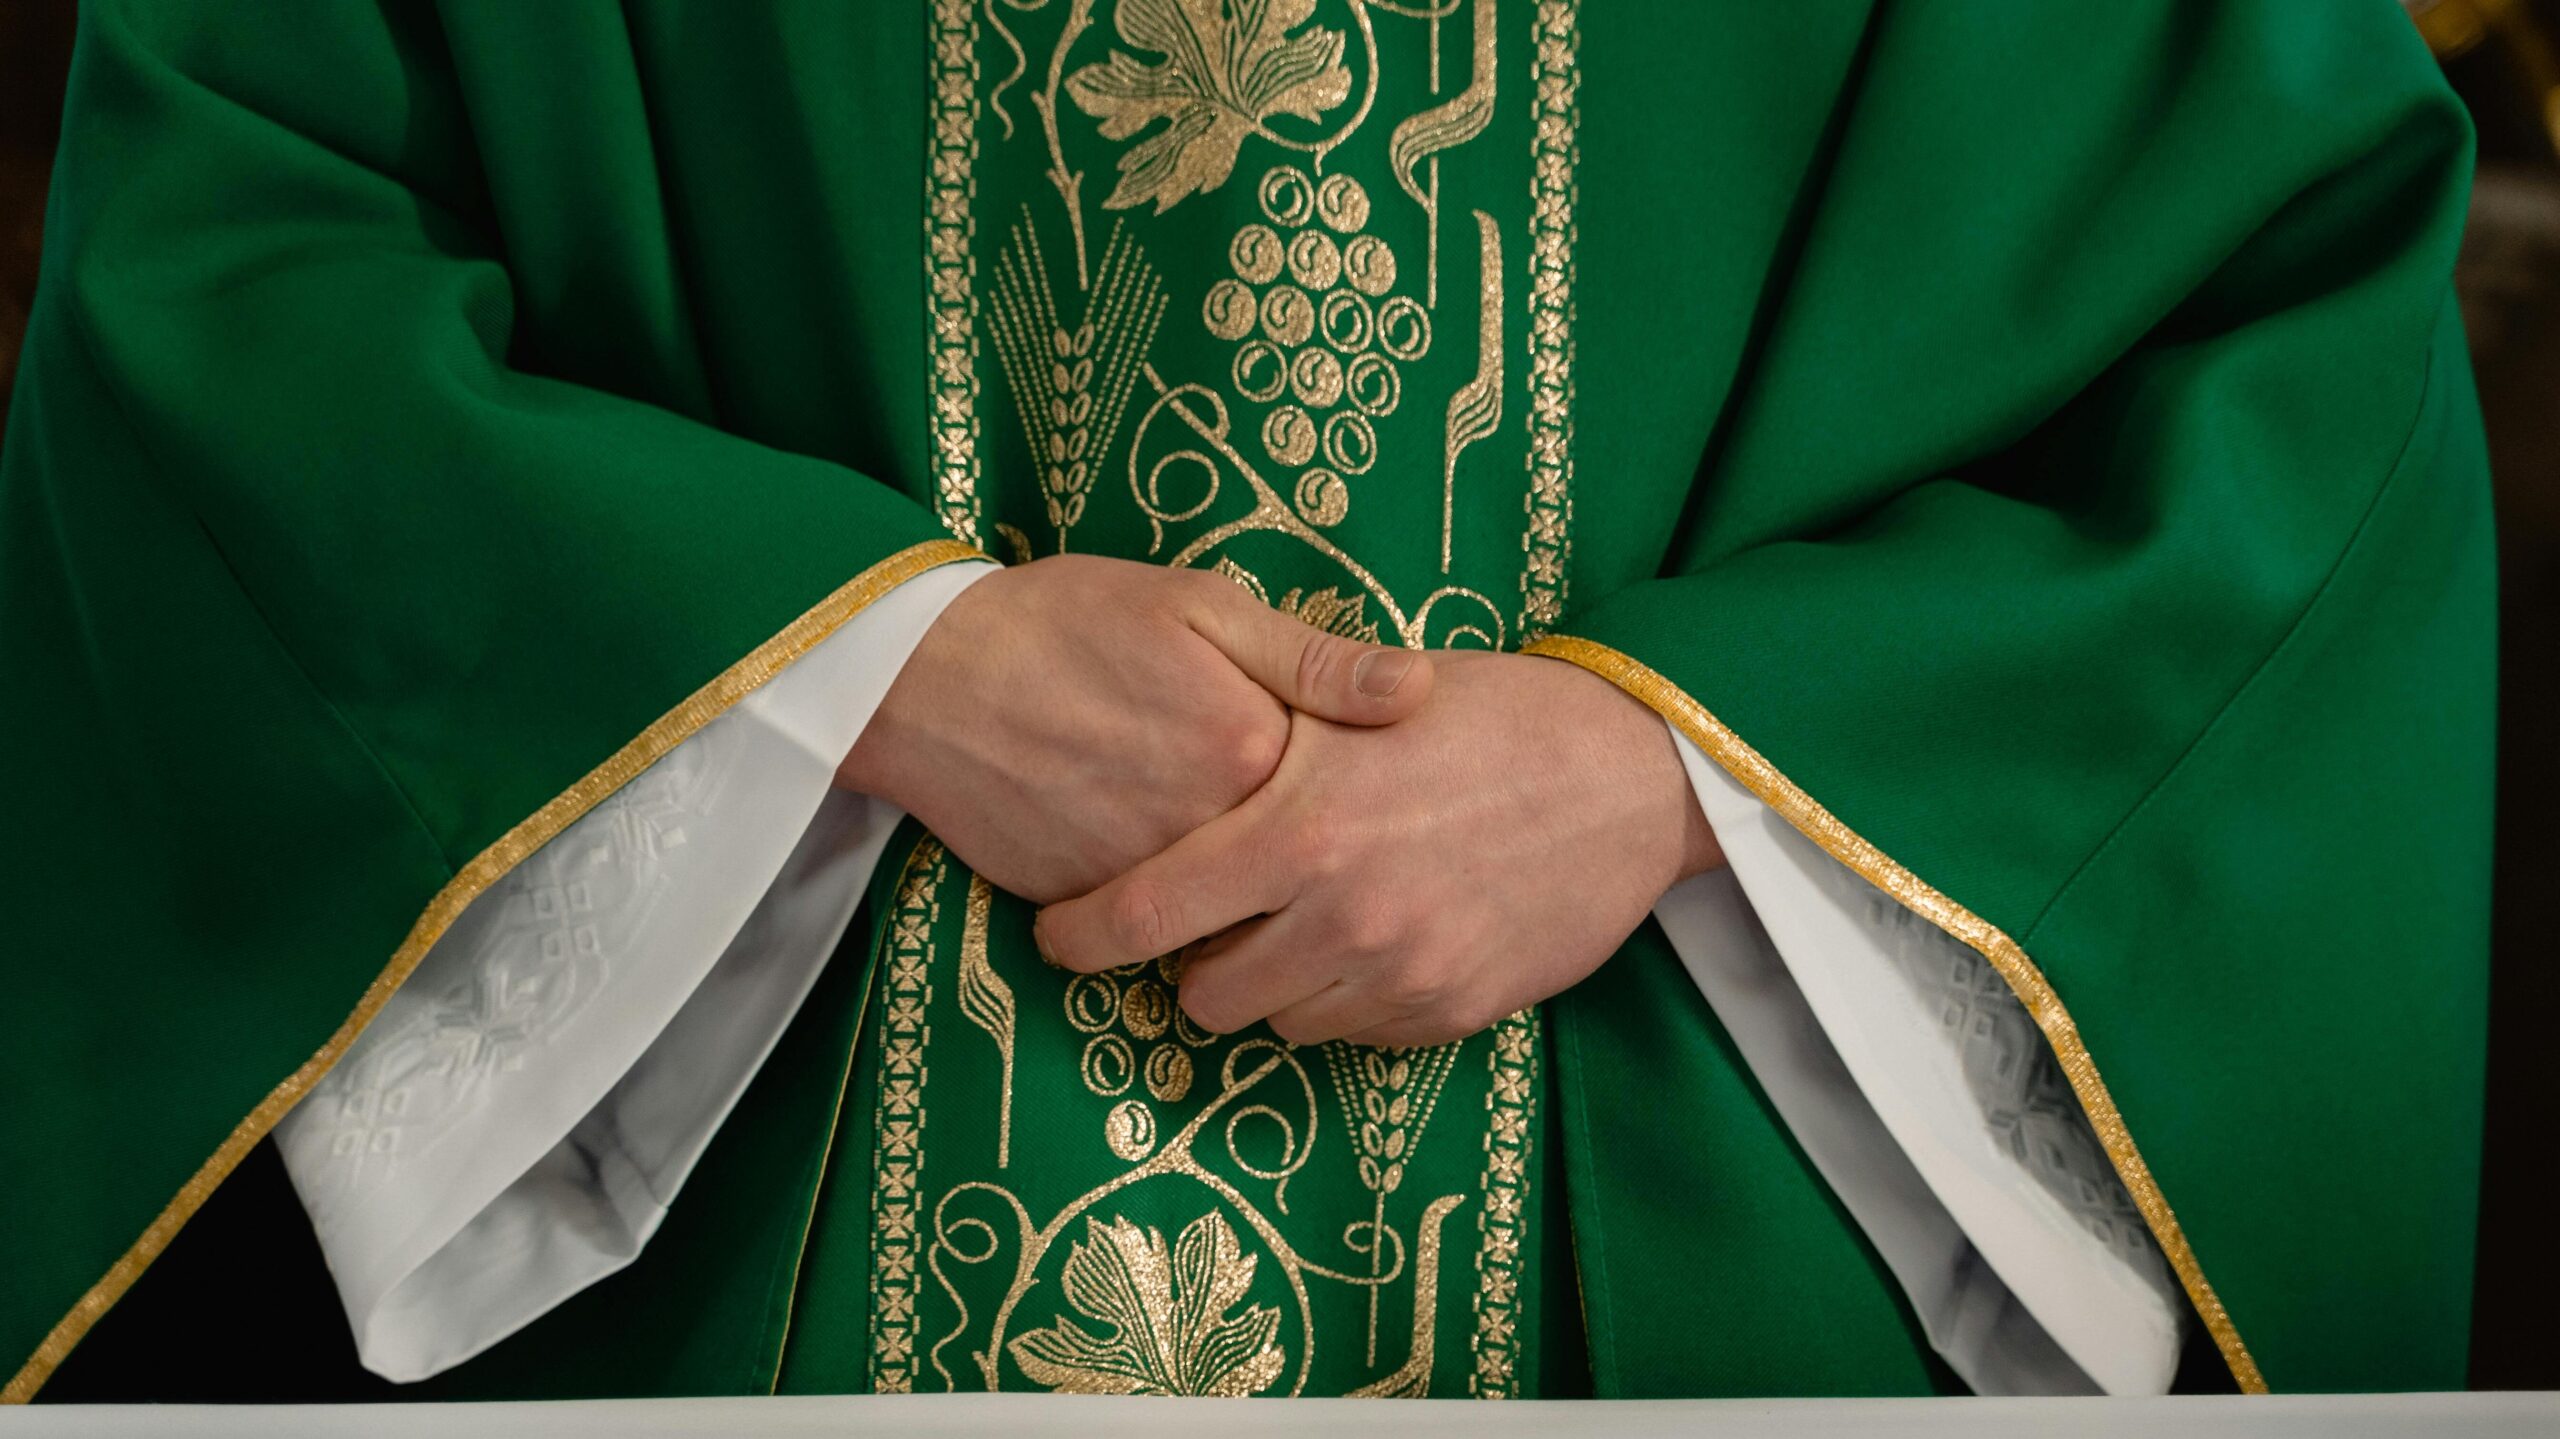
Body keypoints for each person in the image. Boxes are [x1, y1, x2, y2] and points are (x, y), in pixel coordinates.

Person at [0, 0, 2492, 1404]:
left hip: (1675, 1208)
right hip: (765, 1230)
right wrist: (869, 657)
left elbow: (2285, 334)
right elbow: (236, 248)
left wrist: (1674, 770)